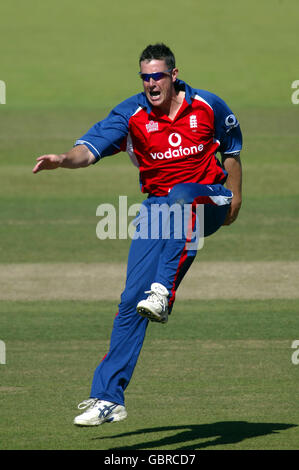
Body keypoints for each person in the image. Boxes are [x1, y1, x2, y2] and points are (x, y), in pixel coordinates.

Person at [32, 43, 242, 426]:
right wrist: (64, 160)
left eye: (157, 76)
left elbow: (232, 149)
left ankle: (163, 292)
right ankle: (108, 397)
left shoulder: (207, 105)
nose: (151, 84)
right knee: (132, 299)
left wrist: (236, 199)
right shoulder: (132, 113)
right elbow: (89, 149)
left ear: (173, 76)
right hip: (160, 209)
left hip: (207, 198)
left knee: (181, 198)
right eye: (145, 77)